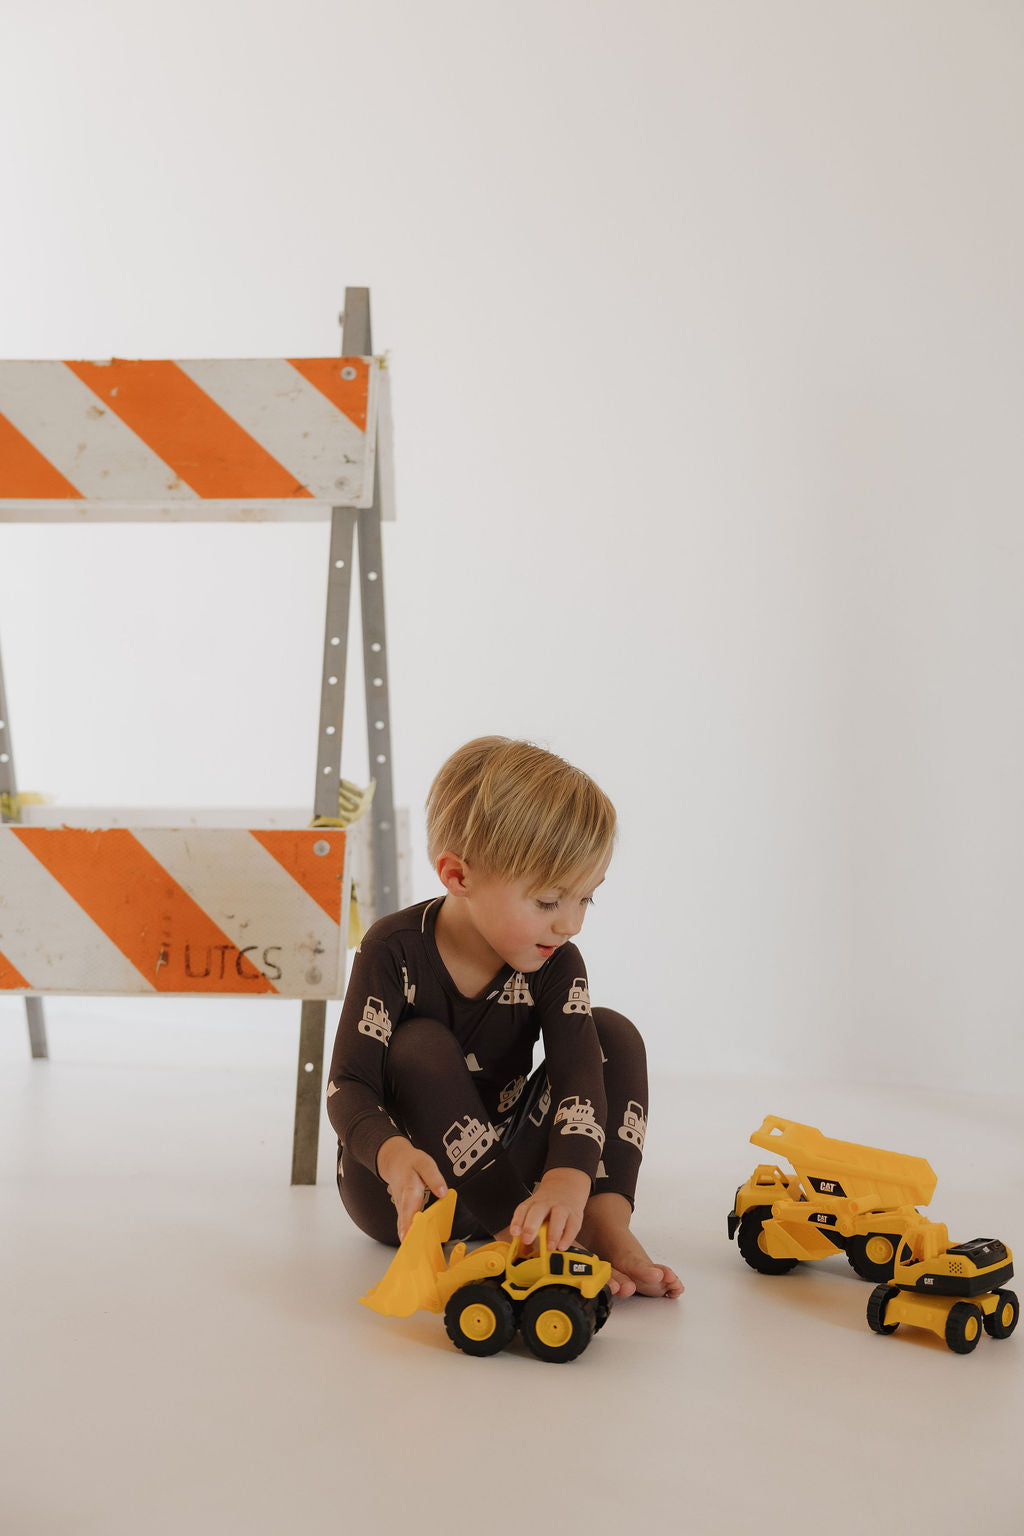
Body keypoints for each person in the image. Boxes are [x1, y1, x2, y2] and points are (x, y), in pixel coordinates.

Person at [325, 736, 682, 1300]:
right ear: (457, 876)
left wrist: (568, 1178)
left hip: (511, 1177)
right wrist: (393, 1157)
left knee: (611, 1033)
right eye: (549, 902)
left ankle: (600, 1221)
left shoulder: (556, 960)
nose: (571, 924)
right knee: (418, 1043)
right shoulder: (393, 950)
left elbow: (577, 1075)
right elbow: (347, 1085)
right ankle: (523, 1237)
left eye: (586, 899)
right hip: (407, 1191)